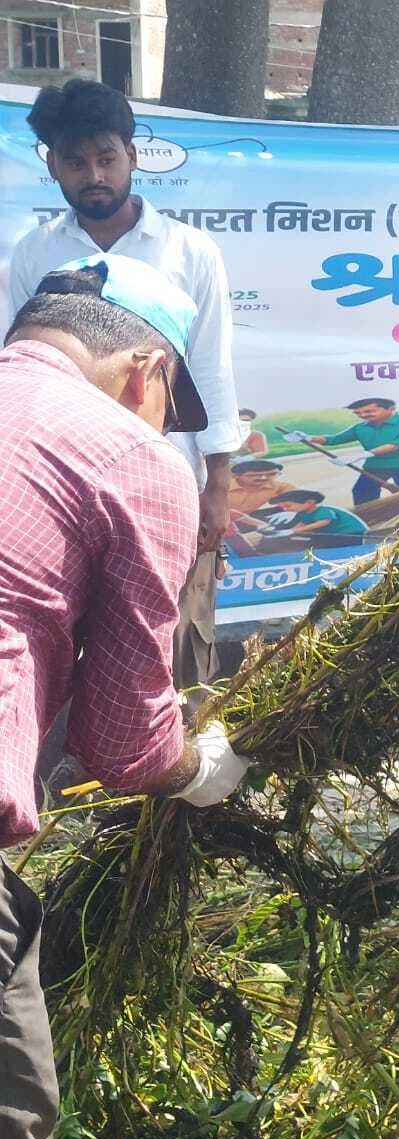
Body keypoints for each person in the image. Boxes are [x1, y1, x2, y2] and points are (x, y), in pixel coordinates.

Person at [0, 255, 251, 1139]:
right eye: (169, 404)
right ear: (145, 370)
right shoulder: (126, 452)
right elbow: (122, 741)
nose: (164, 430)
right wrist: (196, 766)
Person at [9, 79, 244, 692]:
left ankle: (177, 783)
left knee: (176, 660)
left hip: (173, 484)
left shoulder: (189, 252)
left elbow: (213, 368)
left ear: (133, 156)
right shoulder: (35, 256)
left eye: (106, 158)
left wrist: (218, 484)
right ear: (52, 165)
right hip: (68, 491)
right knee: (76, 661)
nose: (94, 175)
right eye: (75, 161)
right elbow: (24, 373)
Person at [303, 398, 399, 504]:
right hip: (377, 464)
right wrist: (307, 437)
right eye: (358, 413)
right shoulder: (361, 428)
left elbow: (398, 444)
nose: (363, 415)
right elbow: (333, 439)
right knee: (362, 491)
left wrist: (363, 454)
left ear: (391, 409)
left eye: (369, 411)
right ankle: (369, 518)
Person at [271, 490, 369, 547]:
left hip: (351, 534)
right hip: (332, 535)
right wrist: (287, 532)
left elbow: (323, 522)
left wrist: (295, 530)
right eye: (282, 507)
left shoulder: (323, 510)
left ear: (309, 502)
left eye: (288, 506)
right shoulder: (302, 513)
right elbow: (302, 524)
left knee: (320, 542)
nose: (285, 509)